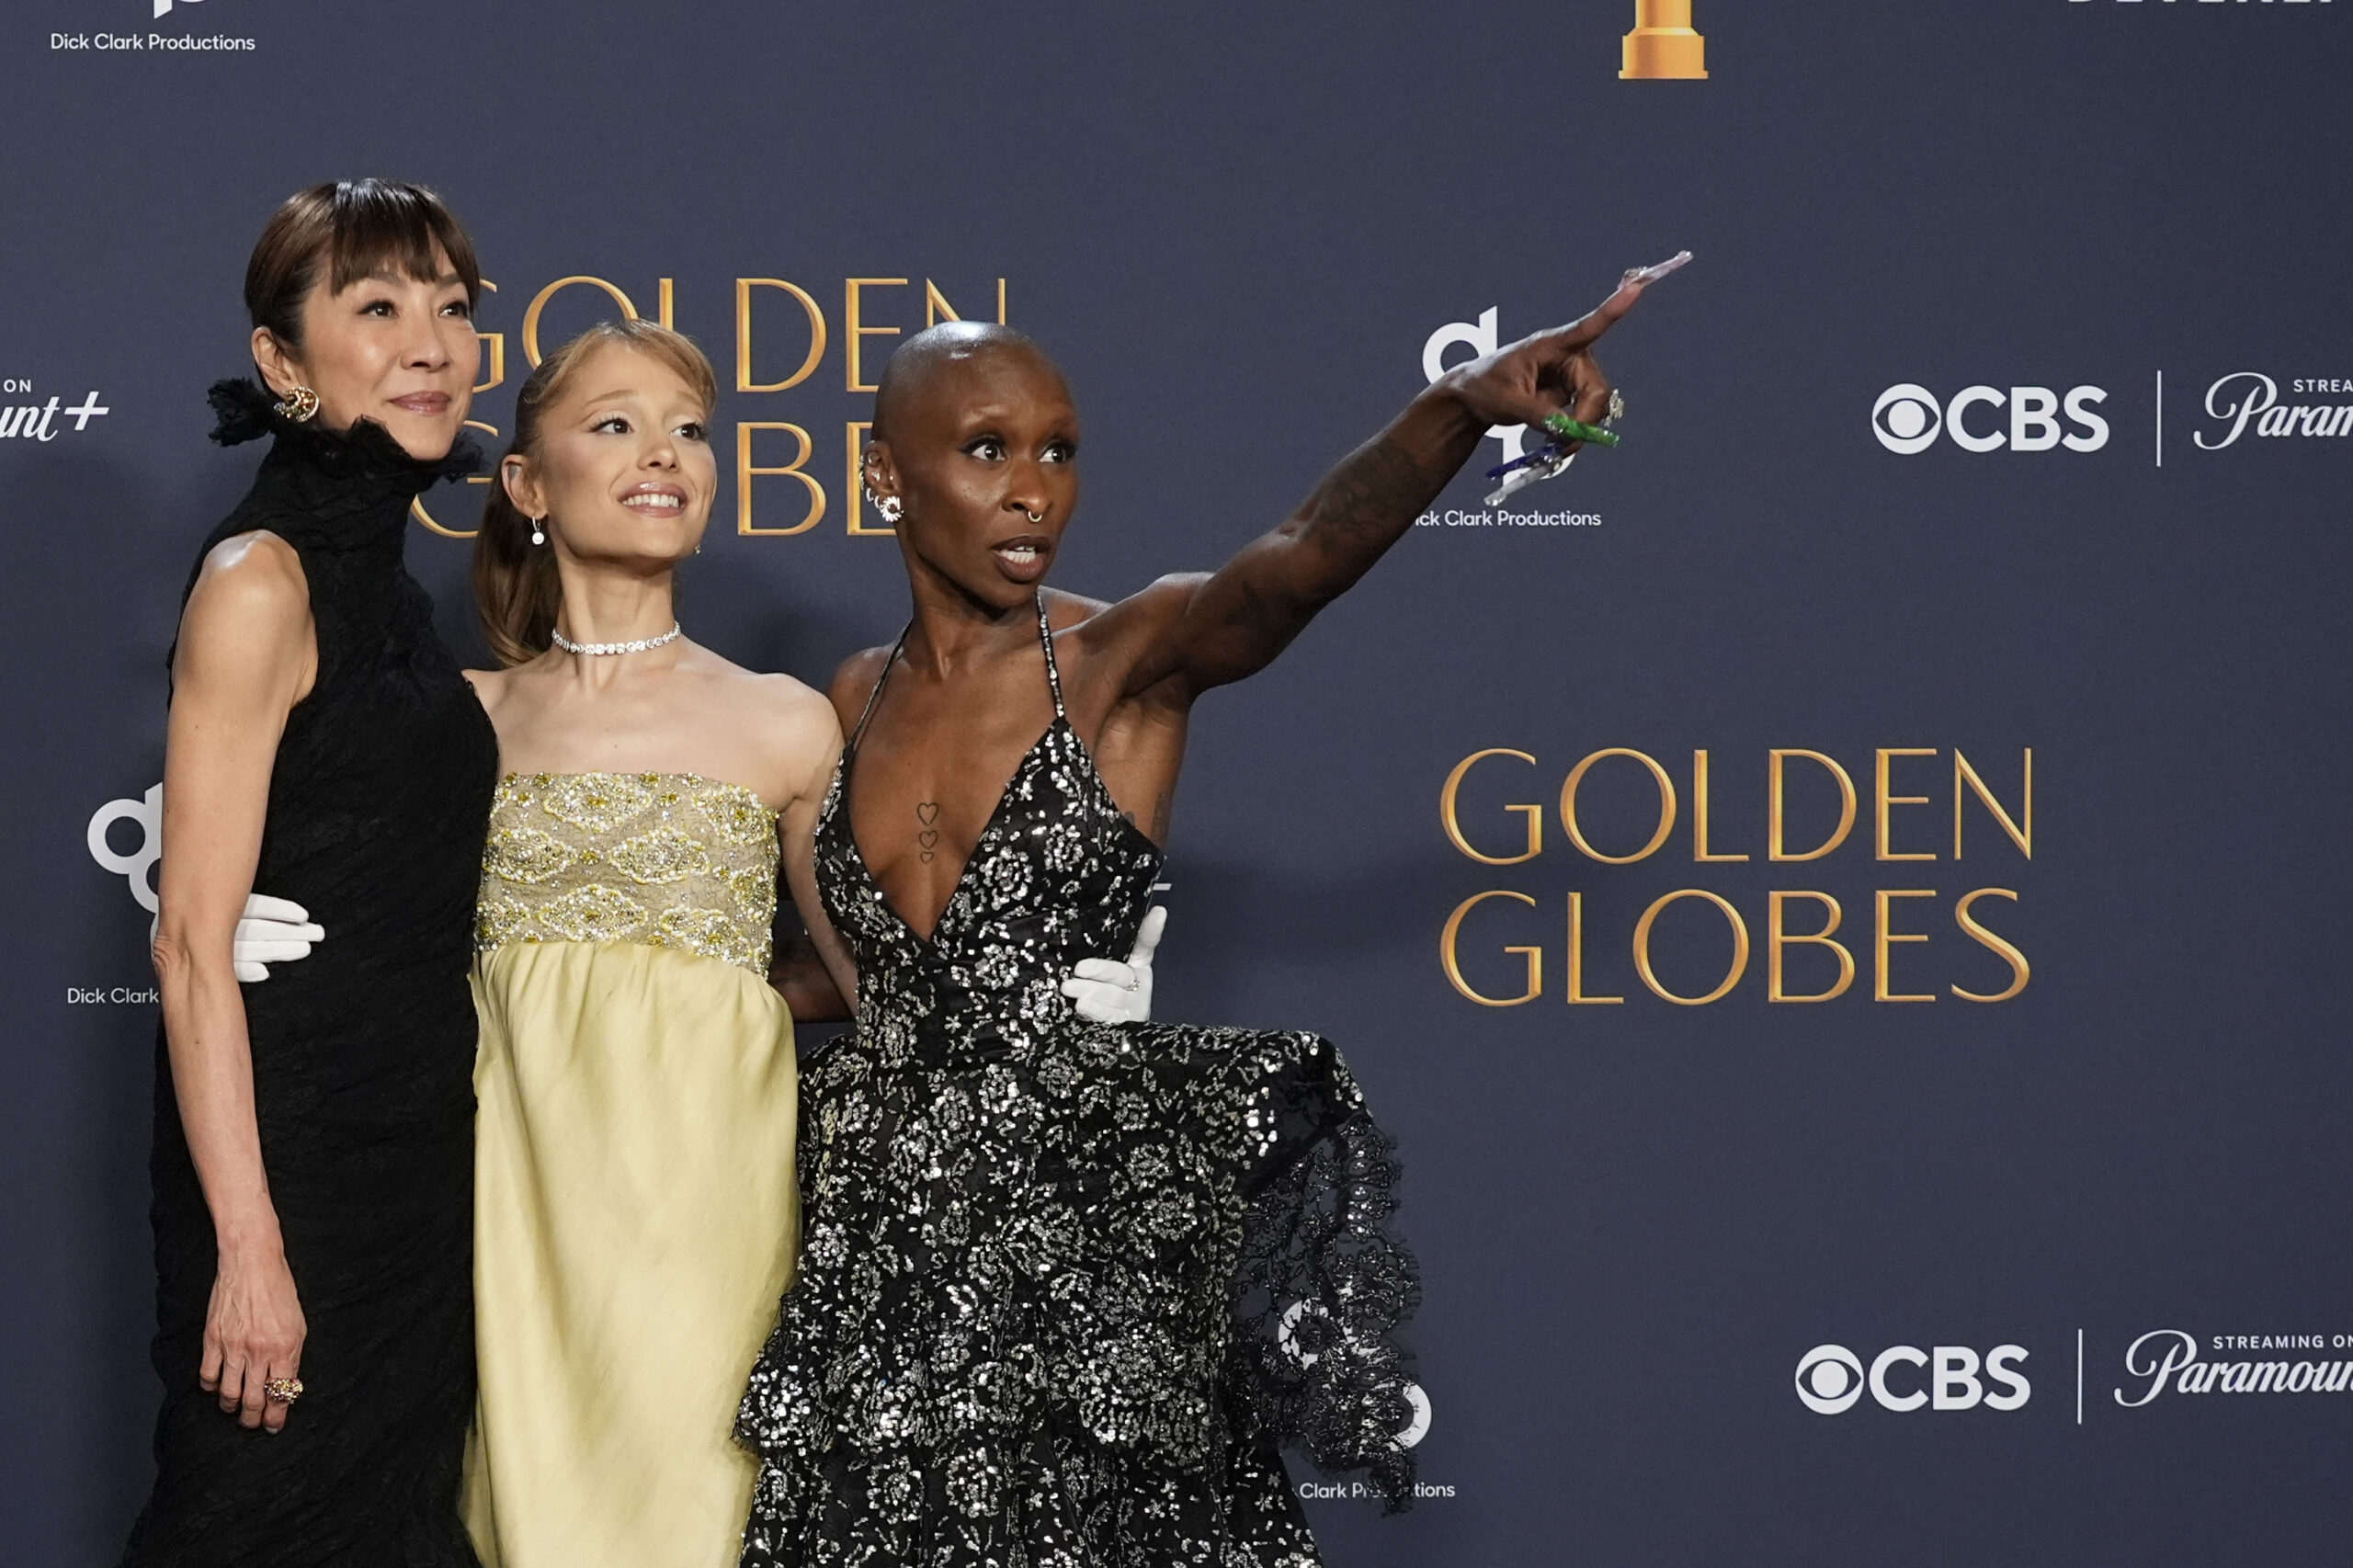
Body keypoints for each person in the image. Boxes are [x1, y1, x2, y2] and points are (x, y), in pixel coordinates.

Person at [733, 270, 1662, 1563]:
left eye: (1059, 451)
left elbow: (1292, 565)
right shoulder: (841, 699)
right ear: (886, 473)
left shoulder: (1127, 654)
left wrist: (1455, 408)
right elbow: (872, 975)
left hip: (1083, 1237)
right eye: (988, 449)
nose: (1033, 488)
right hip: (889, 1246)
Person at [455, 320, 1160, 1568]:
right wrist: (268, 931)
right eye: (615, 423)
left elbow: (889, 981)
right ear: (526, 484)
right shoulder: (455, 724)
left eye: (688, 428)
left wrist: (1069, 982)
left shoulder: (782, 720)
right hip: (506, 1225)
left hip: (714, 1221)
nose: (661, 453)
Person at [126, 178, 494, 1567]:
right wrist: (252, 1248)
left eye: (454, 309)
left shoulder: (391, 592)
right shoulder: (259, 581)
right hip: (288, 1180)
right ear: (283, 361)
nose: (432, 345)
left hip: (414, 1174)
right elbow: (187, 946)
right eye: (379, 307)